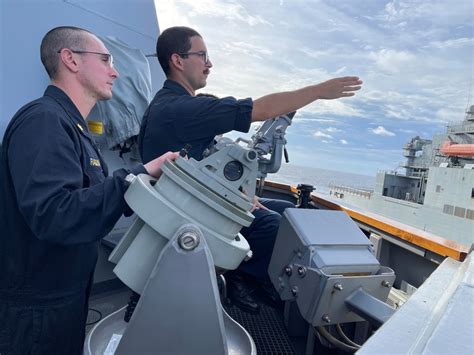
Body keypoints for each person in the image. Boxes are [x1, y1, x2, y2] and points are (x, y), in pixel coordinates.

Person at [138, 26, 363, 313]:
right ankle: (240, 277)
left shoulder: (167, 105)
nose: (209, 63)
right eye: (202, 55)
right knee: (274, 225)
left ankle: (253, 274)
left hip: (193, 198)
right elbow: (260, 109)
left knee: (289, 212)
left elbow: (197, 162)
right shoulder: (182, 109)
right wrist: (318, 92)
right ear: (178, 61)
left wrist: (242, 194)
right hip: (191, 210)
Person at [0, 26, 179, 355]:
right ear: (70, 59)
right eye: (105, 59)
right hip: (37, 311)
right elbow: (56, 215)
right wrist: (136, 176)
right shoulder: (44, 121)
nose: (115, 70)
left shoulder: (71, 127)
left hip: (64, 298)